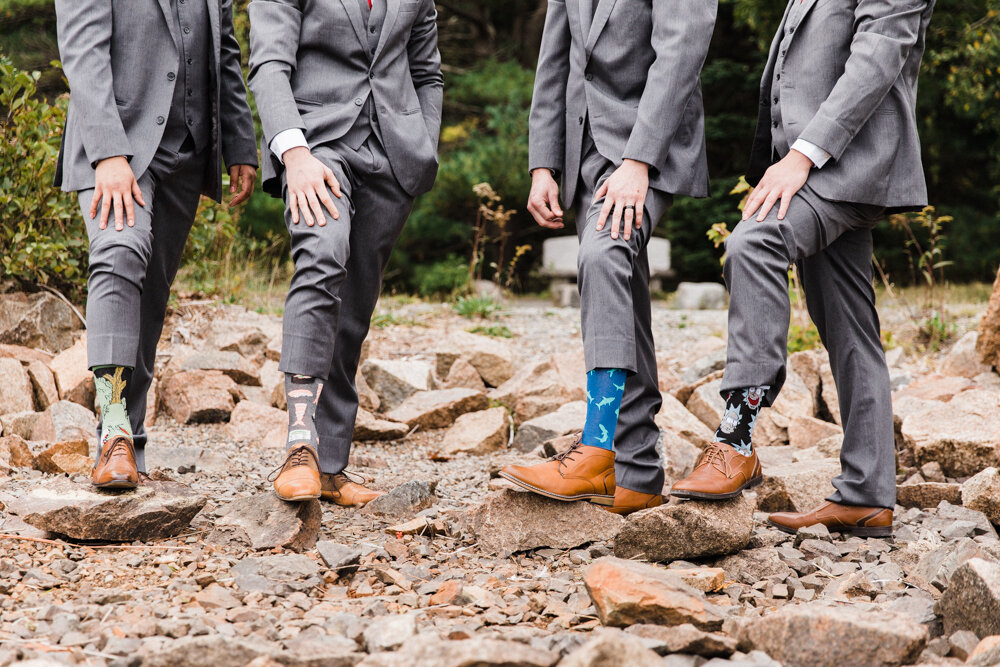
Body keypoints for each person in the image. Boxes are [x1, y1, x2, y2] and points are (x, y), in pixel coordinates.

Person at [671, 0, 935, 538]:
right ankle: (866, 496)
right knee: (849, 327)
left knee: (755, 242)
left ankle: (736, 437)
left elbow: (878, 57)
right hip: (821, 168)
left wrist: (802, 156)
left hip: (847, 165)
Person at [499, 0, 718, 515]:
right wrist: (543, 164)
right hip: (581, 151)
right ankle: (638, 472)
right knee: (618, 281)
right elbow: (555, 60)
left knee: (601, 255)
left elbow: (681, 52)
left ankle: (598, 448)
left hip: (651, 146)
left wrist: (638, 162)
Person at [54, 0, 259, 488]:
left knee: (150, 296)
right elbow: (82, 49)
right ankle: (114, 436)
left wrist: (239, 143)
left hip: (186, 154)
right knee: (119, 252)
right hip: (116, 146)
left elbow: (223, 52)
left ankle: (129, 441)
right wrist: (107, 153)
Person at [247, 0, 443, 505]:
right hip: (316, 148)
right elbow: (269, 64)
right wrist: (294, 155)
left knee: (354, 305)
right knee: (321, 258)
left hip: (394, 158)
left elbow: (426, 72)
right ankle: (299, 446)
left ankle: (330, 466)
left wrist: (424, 145)